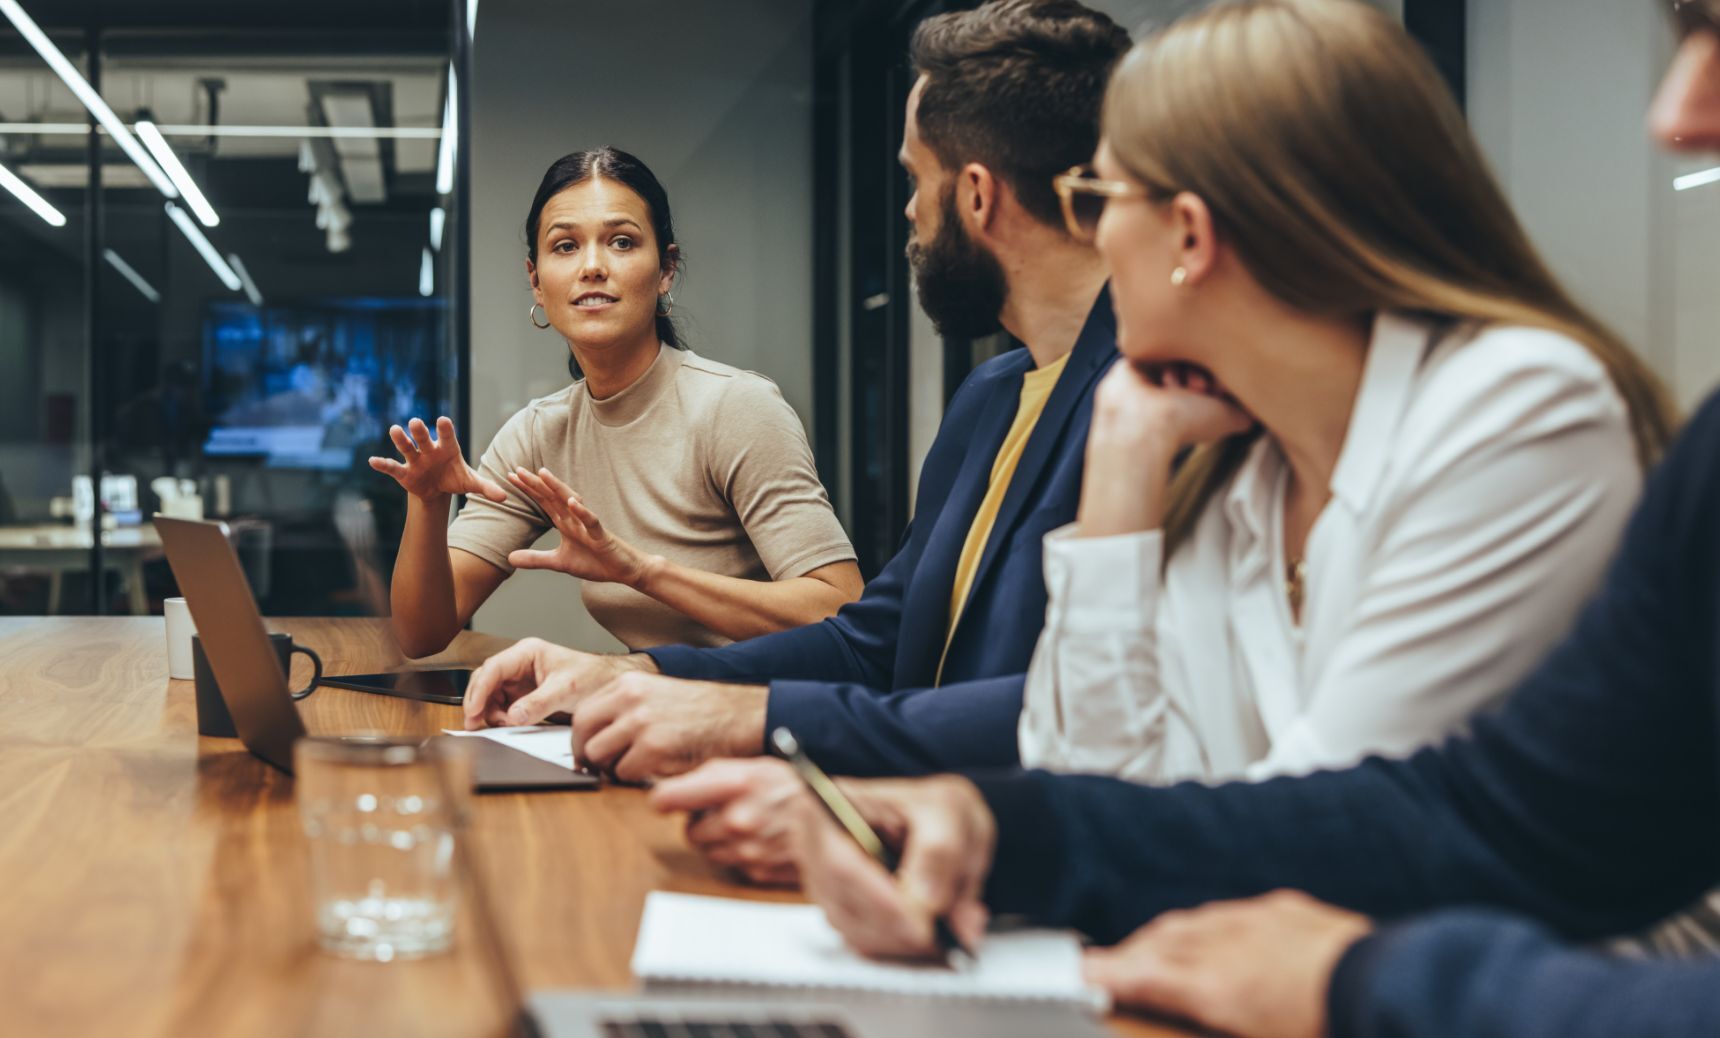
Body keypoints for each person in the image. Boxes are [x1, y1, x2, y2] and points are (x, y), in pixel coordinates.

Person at [680, 3, 1720, 1035]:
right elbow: (1092, 770)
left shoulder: (1516, 408)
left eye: (1099, 196)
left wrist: (1011, 833)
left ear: (1187, 236)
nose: (1087, 232)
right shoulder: (1229, 451)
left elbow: (1339, 848)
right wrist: (1124, 473)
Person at [459, 0, 1133, 782]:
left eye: (917, 179)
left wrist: (746, 717)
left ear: (977, 195)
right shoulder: (990, 398)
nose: (909, 211)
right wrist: (633, 676)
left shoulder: (1153, 405)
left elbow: (1086, 713)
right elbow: (875, 640)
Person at [372, 147, 861, 658]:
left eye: (622, 242)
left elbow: (839, 614)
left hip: (770, 717)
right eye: (564, 246)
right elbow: (420, 634)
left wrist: (641, 571)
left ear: (666, 270)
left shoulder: (735, 407)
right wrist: (428, 506)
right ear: (536, 281)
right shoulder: (541, 433)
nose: (592, 267)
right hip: (651, 714)